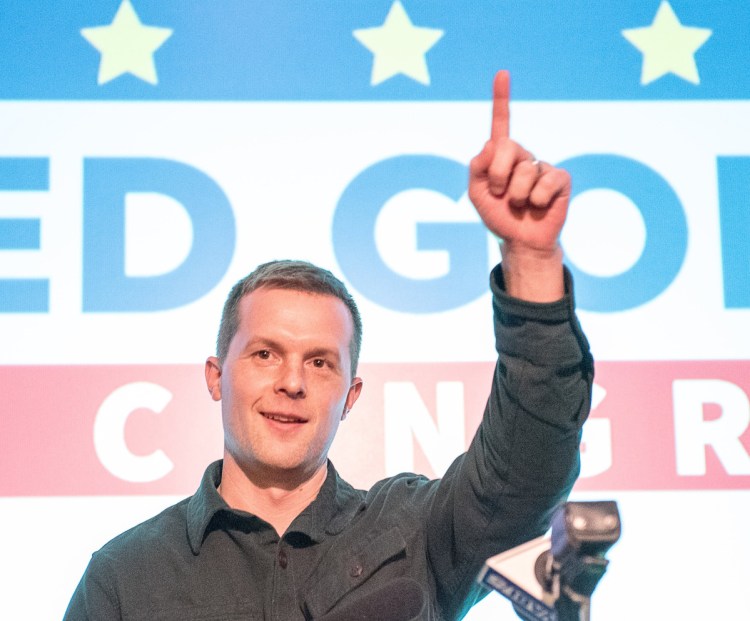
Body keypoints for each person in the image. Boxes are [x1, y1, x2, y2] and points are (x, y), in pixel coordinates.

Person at [64, 71, 593, 620]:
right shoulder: (126, 576)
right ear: (216, 376)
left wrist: (531, 262)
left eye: (319, 362)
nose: (291, 382)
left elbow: (528, 466)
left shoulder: (419, 533)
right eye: (265, 353)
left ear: (351, 394)